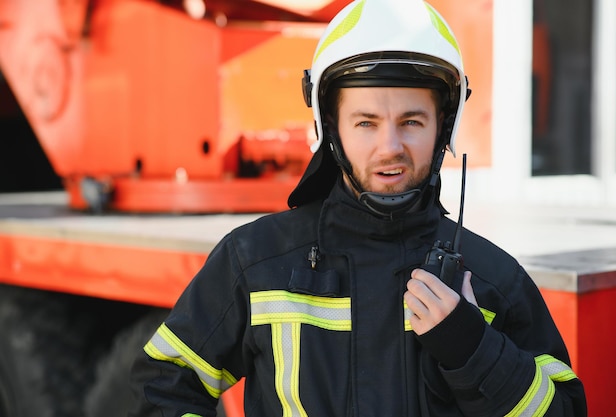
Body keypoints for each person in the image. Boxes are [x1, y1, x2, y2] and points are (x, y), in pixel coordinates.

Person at [129, 0, 587, 416]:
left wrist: (475, 351)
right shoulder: (255, 262)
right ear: (331, 127)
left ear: (444, 127)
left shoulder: (491, 283)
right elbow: (162, 389)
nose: (390, 147)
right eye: (366, 122)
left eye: (411, 121)